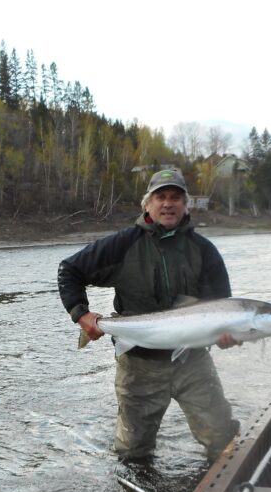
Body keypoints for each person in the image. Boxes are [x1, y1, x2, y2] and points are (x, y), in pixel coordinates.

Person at [57, 168, 240, 461]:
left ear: (186, 205)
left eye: (176, 197)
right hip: (139, 366)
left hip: (193, 363)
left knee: (224, 439)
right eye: (161, 197)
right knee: (132, 453)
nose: (168, 203)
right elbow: (69, 270)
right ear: (147, 204)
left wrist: (227, 334)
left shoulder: (204, 251)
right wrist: (82, 313)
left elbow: (222, 306)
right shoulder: (122, 244)